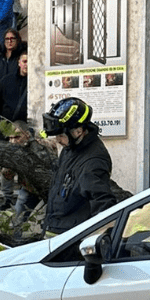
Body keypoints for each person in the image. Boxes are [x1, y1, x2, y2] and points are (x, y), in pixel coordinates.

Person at [42, 98, 116, 236]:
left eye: (61, 135)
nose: (57, 140)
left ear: (78, 131)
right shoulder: (70, 149)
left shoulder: (93, 161)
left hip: (72, 238)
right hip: (57, 231)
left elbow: (103, 204)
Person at [5, 121, 57, 241]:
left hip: (49, 190)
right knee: (17, 219)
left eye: (17, 137)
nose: (13, 141)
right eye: (10, 138)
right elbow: (7, 175)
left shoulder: (41, 146)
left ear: (27, 135)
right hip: (29, 189)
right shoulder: (13, 150)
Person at [0, 51, 29, 210]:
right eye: (24, 61)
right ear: (19, 63)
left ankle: (22, 197)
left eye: (29, 61)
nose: (27, 65)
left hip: (25, 129)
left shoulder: (36, 81)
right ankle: (7, 198)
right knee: (6, 166)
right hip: (6, 127)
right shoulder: (7, 81)